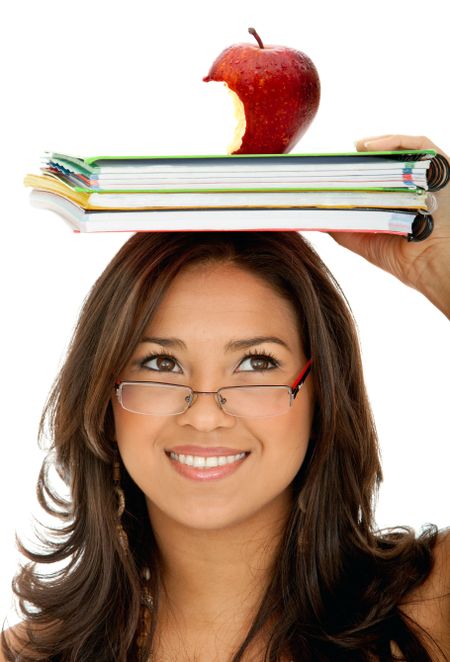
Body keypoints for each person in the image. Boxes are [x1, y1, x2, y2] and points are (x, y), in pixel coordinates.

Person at [1, 135, 449, 662]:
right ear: (103, 400)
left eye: (256, 363)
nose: (207, 415)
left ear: (321, 394)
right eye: (161, 364)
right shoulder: (25, 656)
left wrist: (441, 266)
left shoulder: (430, 609)